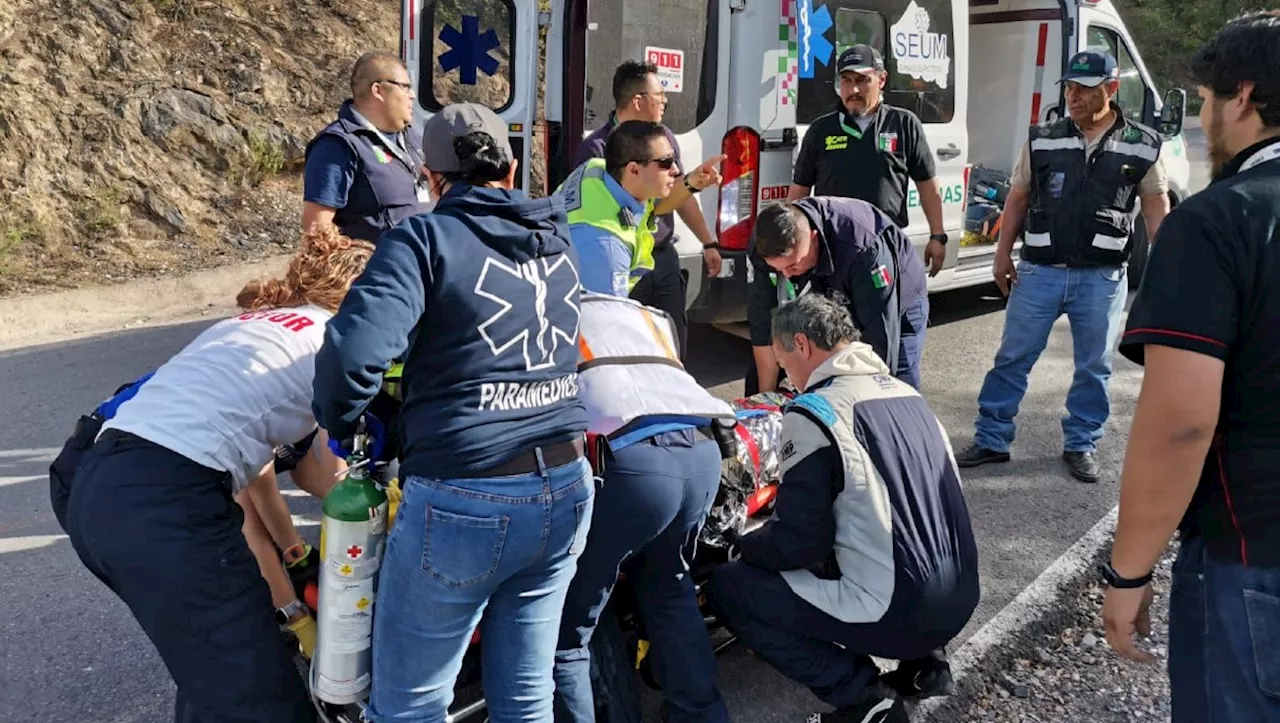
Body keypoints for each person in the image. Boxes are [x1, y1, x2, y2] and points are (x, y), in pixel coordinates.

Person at [309, 102, 594, 722]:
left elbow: (353, 351)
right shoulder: (558, 235)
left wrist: (344, 423)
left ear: (430, 178)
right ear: (512, 167)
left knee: (410, 705)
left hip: (468, 495)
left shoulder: (423, 237)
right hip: (569, 481)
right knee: (525, 695)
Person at [61, 225, 374, 723]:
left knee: (214, 675)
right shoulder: (336, 341)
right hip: (163, 498)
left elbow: (308, 472)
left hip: (97, 483)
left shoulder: (266, 325)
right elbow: (297, 482)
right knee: (260, 700)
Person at [1100, 13, 1280, 722]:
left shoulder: (1216, 220)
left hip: (1252, 556)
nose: (1204, 119)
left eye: (1205, 100)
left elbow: (1179, 422)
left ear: (1241, 97)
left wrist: (1129, 569)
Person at [706, 294, 980, 723]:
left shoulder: (815, 411)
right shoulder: (907, 393)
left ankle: (865, 700)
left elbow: (800, 544)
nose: (786, 379)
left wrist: (743, 546)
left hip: (898, 610)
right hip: (961, 599)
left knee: (729, 587)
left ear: (801, 344)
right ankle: (927, 667)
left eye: (782, 363)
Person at [955, 49, 1171, 484]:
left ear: (1111, 89)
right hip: (1040, 271)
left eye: (1085, 90)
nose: (1073, 97)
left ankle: (1081, 442)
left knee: (1094, 366)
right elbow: (1017, 198)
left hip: (1102, 276)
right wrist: (1001, 255)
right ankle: (992, 439)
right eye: (1069, 88)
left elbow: (1155, 206)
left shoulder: (1143, 144)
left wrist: (1165, 268)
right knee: (1013, 357)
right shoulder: (1042, 137)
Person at [551, 290, 736, 723]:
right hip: (700, 452)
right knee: (668, 587)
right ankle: (702, 714)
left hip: (634, 465)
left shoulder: (548, 305)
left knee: (568, 629)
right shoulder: (637, 311)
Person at [574, 60, 725, 357]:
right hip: (623, 264)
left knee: (672, 345)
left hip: (663, 257)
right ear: (638, 101)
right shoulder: (597, 150)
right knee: (627, 348)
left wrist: (709, 242)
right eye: (660, 97)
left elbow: (677, 196)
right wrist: (690, 183)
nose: (666, 103)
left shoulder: (663, 138)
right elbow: (648, 209)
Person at [788, 45, 948, 276]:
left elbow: (927, 185)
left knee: (884, 312)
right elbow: (799, 191)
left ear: (881, 79)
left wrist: (937, 236)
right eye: (846, 80)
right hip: (833, 248)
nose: (853, 89)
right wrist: (791, 240)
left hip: (885, 244)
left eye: (862, 80)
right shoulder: (821, 130)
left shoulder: (903, 124)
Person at [746, 196, 930, 394]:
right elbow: (762, 328)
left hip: (894, 303)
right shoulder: (764, 246)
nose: (787, 275)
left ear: (813, 240)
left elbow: (880, 343)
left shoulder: (863, 247)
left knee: (895, 387)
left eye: (793, 265)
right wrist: (766, 401)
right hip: (830, 291)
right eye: (778, 269)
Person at [302, 51, 431, 243]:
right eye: (405, 87)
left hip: (424, 266)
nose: (412, 96)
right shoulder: (338, 145)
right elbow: (317, 229)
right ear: (378, 91)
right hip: (378, 269)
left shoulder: (413, 137)